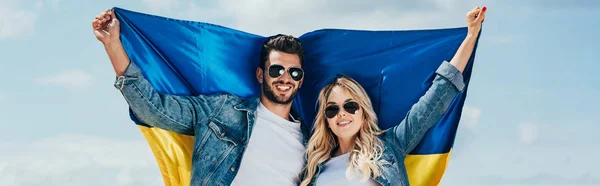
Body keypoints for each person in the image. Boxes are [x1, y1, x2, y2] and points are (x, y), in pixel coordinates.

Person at [92, 8, 311, 186]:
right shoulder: (223, 110)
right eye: (276, 70)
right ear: (261, 75)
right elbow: (154, 110)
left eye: (294, 72)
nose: (285, 78)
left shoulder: (314, 141)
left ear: (300, 80)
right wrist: (113, 45)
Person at [300, 6, 487, 186]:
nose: (341, 113)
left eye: (350, 106)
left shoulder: (390, 146)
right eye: (332, 109)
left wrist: (470, 37)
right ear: (326, 119)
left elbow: (435, 100)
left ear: (363, 112)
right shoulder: (315, 166)